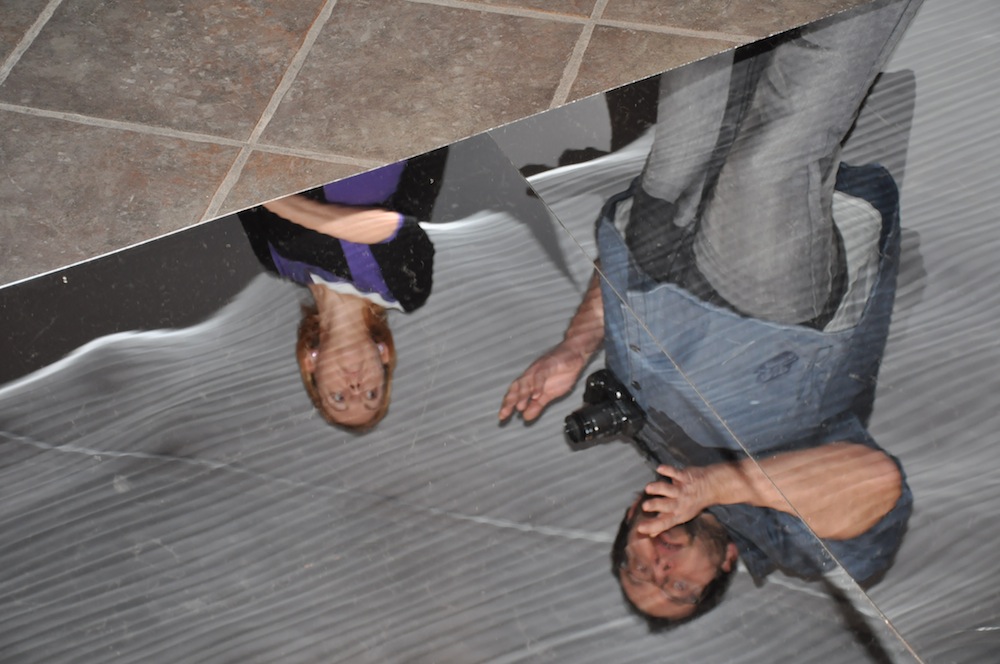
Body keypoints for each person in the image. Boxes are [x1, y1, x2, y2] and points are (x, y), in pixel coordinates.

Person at [499, 0, 921, 624]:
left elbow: (624, 297)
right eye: (676, 587)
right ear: (724, 566)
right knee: (768, 161)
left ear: (631, 521)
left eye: (636, 566)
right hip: (765, 317)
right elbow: (876, 480)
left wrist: (575, 346)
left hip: (653, 254)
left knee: (696, 70)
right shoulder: (791, 545)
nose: (658, 566)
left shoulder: (642, 431)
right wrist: (715, 487)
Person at [239, 157, 440, 431]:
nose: (355, 389)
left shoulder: (277, 262)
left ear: (311, 364)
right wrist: (278, 204)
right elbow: (390, 228)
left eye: (339, 398)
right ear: (384, 357)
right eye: (371, 394)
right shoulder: (404, 292)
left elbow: (240, 185)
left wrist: (269, 200)